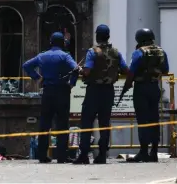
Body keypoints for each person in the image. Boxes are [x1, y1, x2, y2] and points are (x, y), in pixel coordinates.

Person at [72, 24, 129, 165]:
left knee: (86, 122)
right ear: (108, 36)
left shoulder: (93, 52)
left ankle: (84, 155)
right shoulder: (116, 52)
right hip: (109, 91)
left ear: (97, 36)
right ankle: (102, 154)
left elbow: (87, 72)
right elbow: (126, 70)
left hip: (94, 91)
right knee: (104, 123)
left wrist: (79, 69)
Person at [22, 32, 79, 163]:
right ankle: (61, 156)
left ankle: (42, 155)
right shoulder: (65, 56)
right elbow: (76, 69)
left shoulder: (42, 56)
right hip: (62, 92)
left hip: (47, 92)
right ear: (62, 43)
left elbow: (26, 65)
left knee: (44, 124)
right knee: (62, 124)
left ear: (51, 42)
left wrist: (37, 77)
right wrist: (72, 83)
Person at [123, 28, 169, 163]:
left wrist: (127, 85)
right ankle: (154, 151)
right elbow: (165, 69)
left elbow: (131, 71)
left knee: (143, 121)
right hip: (154, 88)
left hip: (141, 89)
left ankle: (143, 151)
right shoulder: (161, 52)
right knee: (154, 119)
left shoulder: (139, 53)